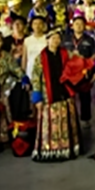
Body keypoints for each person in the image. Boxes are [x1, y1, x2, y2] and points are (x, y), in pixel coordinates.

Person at [31, 30, 82, 162]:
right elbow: (36, 77)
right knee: (49, 125)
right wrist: (37, 97)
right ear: (47, 40)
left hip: (65, 94)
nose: (55, 41)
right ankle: (49, 150)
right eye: (53, 38)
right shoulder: (41, 57)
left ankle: (68, 149)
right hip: (48, 96)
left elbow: (76, 67)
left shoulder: (66, 54)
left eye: (58, 38)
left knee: (67, 123)